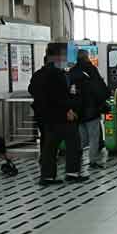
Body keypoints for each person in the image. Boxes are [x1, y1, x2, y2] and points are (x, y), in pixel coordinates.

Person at [33, 44, 86, 185]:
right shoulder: (57, 74)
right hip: (61, 117)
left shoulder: (38, 74)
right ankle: (72, 173)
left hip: (47, 117)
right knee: (73, 143)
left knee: (49, 147)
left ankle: (47, 176)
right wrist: (68, 110)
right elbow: (61, 95)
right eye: (62, 55)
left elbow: (33, 90)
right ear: (56, 56)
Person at [69, 50, 109, 169]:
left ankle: (76, 157)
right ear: (87, 57)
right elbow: (99, 87)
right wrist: (104, 98)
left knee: (82, 137)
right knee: (94, 137)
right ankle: (92, 161)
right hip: (91, 109)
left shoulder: (72, 71)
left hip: (77, 110)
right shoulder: (91, 70)